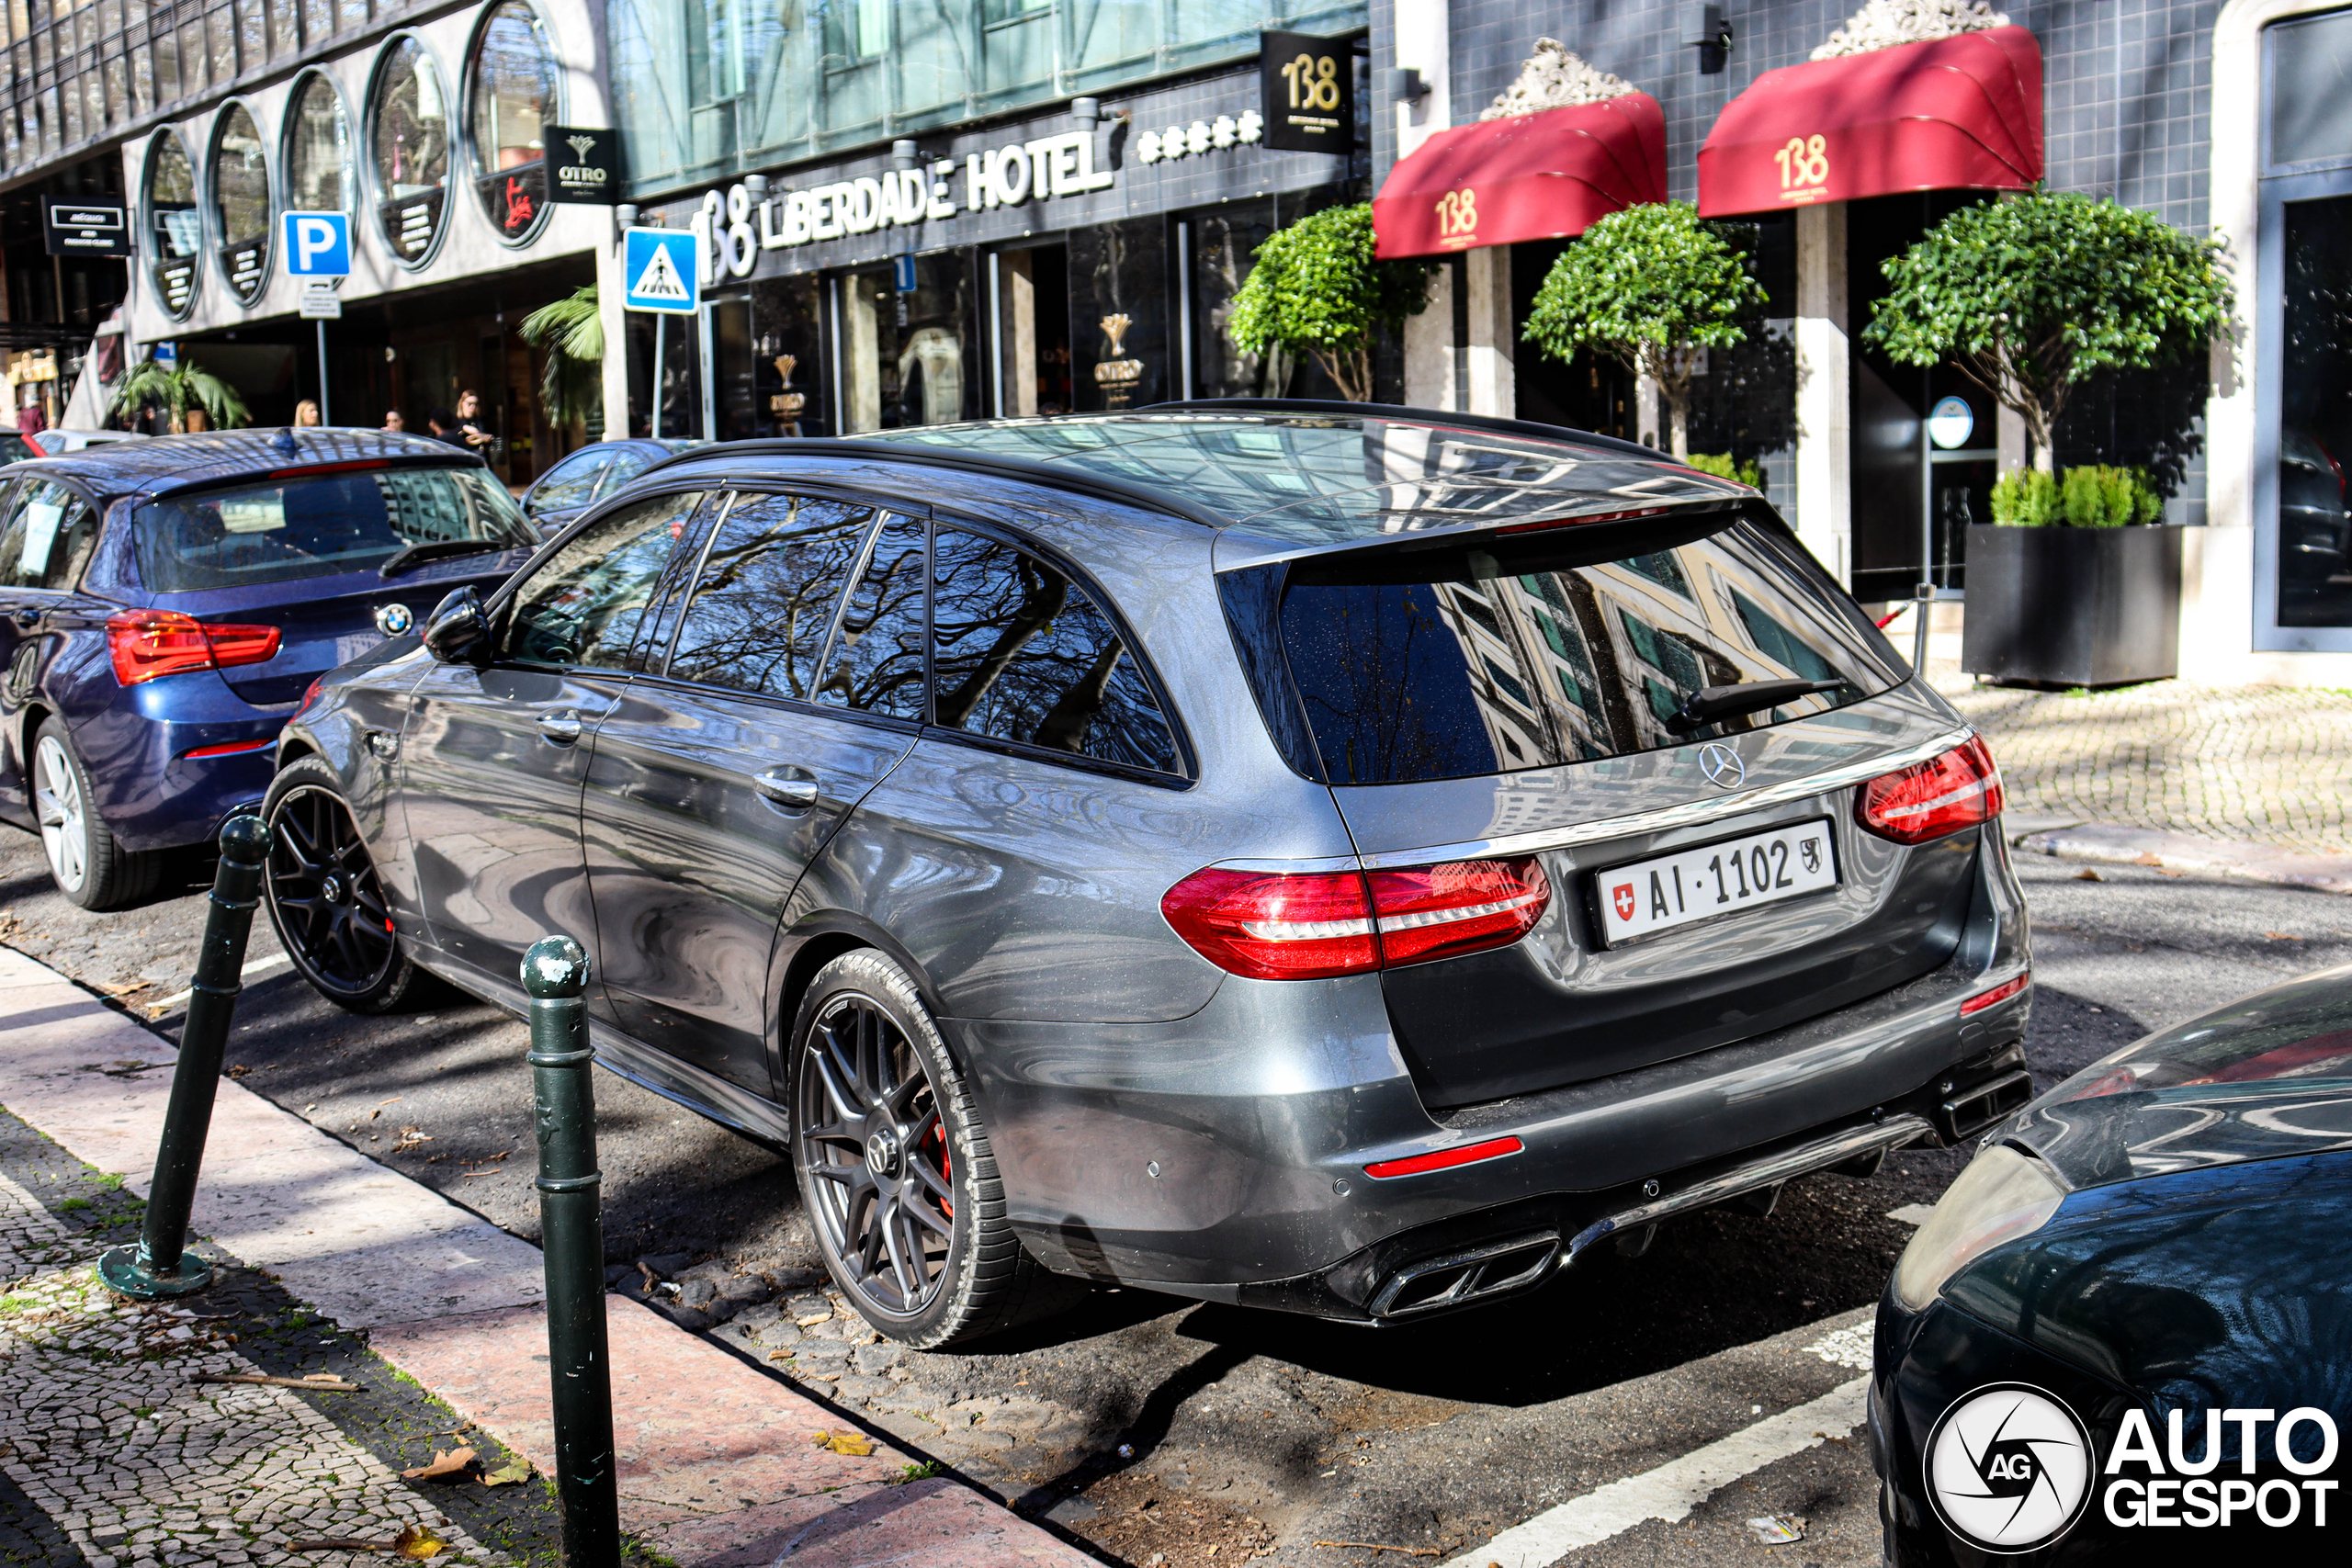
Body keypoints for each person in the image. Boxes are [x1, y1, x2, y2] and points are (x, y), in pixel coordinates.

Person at [451, 389, 498, 457]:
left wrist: (487, 439)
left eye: (475, 404)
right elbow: (449, 435)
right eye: (469, 404)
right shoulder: (455, 420)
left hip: (480, 458)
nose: (472, 407)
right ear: (462, 403)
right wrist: (464, 428)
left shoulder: (481, 421)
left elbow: (491, 439)